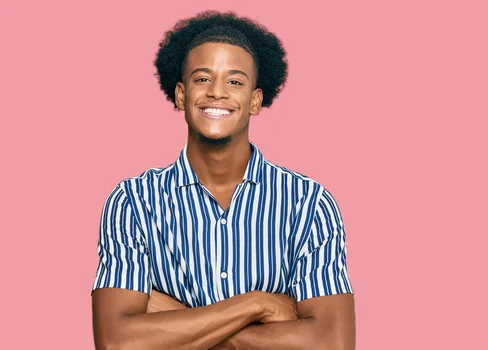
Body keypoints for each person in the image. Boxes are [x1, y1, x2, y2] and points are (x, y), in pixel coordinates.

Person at [91, 10, 355, 350]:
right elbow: (117, 343)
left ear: (255, 100)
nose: (217, 93)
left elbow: (333, 344)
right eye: (203, 79)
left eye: (234, 81)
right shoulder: (132, 202)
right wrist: (257, 305)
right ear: (181, 95)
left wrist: (173, 323)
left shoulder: (308, 203)